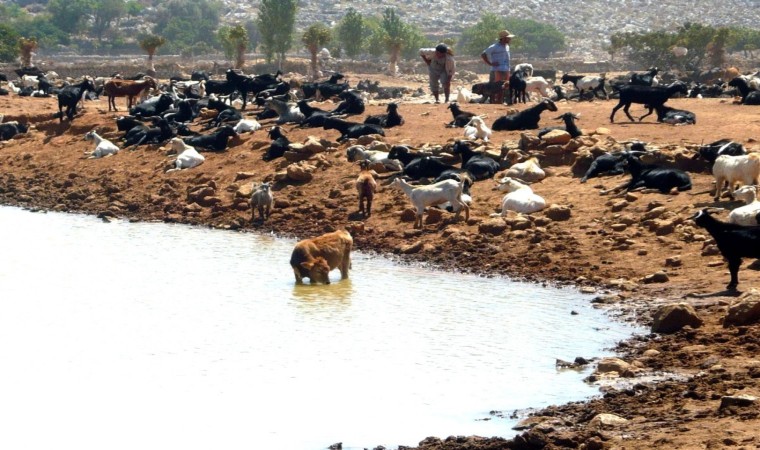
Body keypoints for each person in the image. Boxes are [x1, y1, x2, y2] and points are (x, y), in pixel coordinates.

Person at [481, 29, 515, 104]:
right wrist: (490, 64)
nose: (510, 39)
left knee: (505, 86)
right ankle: (494, 102)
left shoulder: (507, 46)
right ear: (503, 38)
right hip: (497, 69)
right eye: (508, 38)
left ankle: (500, 101)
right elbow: (483, 54)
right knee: (496, 86)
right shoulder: (494, 47)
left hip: (506, 69)